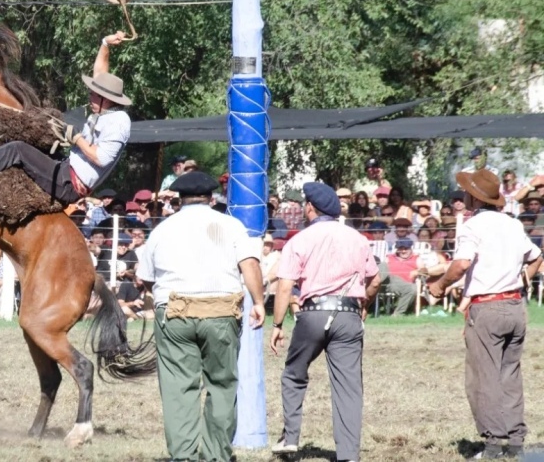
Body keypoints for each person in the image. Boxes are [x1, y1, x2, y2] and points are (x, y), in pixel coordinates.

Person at [135, 171, 265, 462]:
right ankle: (216, 455)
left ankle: (183, 456)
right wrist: (258, 301)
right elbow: (250, 264)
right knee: (222, 385)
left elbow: (145, 277)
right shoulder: (231, 225)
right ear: (211, 198)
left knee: (178, 388)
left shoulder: (162, 230)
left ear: (180, 199)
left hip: (175, 313)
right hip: (221, 312)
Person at [0, 31, 131, 206]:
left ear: (108, 99)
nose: (90, 96)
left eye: (95, 94)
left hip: (69, 183)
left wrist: (75, 137)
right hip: (66, 169)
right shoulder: (106, 110)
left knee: (17, 149)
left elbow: (102, 158)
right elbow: (100, 72)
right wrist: (105, 43)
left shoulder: (119, 121)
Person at [427, 169, 542, 460]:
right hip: (515, 306)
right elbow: (536, 255)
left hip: (487, 307)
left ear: (473, 198)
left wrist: (440, 285)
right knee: (510, 375)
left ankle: (493, 445)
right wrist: (522, 283)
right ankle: (515, 441)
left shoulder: (472, 226)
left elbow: (462, 264)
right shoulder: (513, 224)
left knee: (483, 376)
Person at [270, 182, 381, 462]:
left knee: (294, 373)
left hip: (312, 313)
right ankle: (348, 455)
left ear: (309, 208)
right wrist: (363, 304)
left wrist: (277, 324)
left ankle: (290, 438)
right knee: (348, 386)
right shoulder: (357, 238)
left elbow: (285, 286)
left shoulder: (300, 240)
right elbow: (375, 280)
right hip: (348, 314)